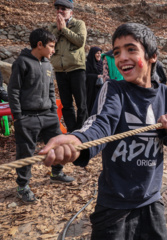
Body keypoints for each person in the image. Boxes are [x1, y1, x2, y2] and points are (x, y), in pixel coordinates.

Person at [40, 23, 167, 240]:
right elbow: (101, 123)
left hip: (151, 200)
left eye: (131, 49)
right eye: (117, 52)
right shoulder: (114, 90)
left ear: (152, 57)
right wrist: (77, 140)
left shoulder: (164, 94)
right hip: (114, 204)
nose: (122, 57)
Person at [8, 28, 74, 204]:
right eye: (51, 46)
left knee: (58, 144)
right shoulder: (21, 62)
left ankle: (57, 172)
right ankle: (22, 186)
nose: (53, 50)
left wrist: (53, 112)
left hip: (48, 115)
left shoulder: (47, 65)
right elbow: (13, 90)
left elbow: (52, 90)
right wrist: (18, 117)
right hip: (27, 117)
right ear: (39, 45)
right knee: (26, 152)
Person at [49, 0, 88, 132]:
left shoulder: (79, 24)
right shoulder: (53, 27)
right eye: (58, 9)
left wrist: (64, 29)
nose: (60, 11)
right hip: (60, 70)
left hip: (76, 68)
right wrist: (59, 29)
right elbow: (50, 43)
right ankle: (72, 130)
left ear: (71, 12)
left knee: (81, 102)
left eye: (63, 9)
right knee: (66, 104)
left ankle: (82, 129)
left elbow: (80, 41)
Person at [85, 46, 103, 114]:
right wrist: (96, 76)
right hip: (91, 90)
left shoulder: (102, 64)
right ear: (93, 54)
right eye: (97, 53)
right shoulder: (88, 64)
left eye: (100, 53)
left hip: (100, 88)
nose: (99, 55)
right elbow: (85, 76)